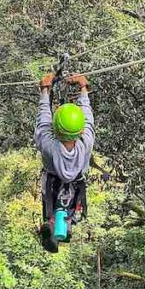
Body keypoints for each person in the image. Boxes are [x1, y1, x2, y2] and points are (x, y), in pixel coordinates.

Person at [34, 72, 95, 252]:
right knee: (64, 208)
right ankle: (63, 224)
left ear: (56, 127)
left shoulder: (49, 146)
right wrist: (83, 87)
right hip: (75, 187)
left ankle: (58, 224)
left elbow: (43, 122)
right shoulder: (86, 143)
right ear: (80, 130)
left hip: (53, 183)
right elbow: (88, 119)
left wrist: (45, 90)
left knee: (53, 205)